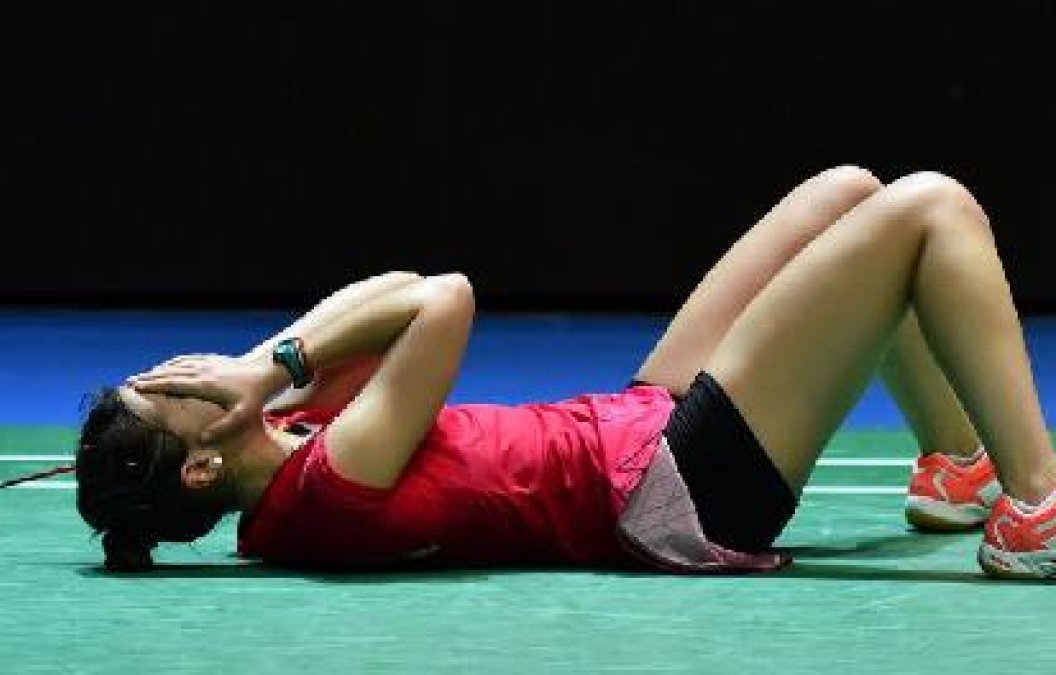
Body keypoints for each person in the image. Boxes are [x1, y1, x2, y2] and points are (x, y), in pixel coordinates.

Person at [75, 166, 1056, 579]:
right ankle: (1035, 511)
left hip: (631, 430)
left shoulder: (292, 448)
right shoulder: (330, 487)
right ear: (200, 467)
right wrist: (270, 364)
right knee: (932, 209)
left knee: (848, 195)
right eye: (167, 395)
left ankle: (955, 467)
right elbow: (444, 296)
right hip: (676, 489)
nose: (182, 372)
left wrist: (261, 371)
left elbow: (389, 294)